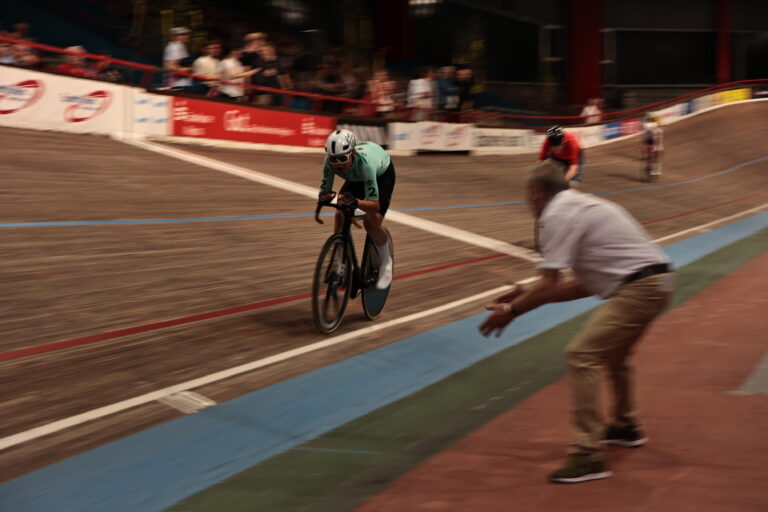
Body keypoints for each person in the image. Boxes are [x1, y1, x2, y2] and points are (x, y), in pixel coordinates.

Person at [479, 160, 673, 483]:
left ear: (536, 191)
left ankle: (587, 454)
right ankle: (625, 425)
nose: (527, 202)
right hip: (657, 281)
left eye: (527, 195)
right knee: (615, 355)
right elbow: (582, 286)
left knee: (582, 354)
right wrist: (527, 295)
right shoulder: (580, 205)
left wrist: (512, 311)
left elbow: (549, 284)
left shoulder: (556, 213)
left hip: (640, 287)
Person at [318, 129, 396, 289]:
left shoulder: (366, 166)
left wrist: (356, 202)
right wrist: (326, 197)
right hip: (355, 175)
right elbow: (325, 193)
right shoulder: (331, 162)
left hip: (381, 176)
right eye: (333, 159)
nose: (337, 164)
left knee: (371, 221)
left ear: (353, 153)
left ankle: (386, 263)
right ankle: (340, 260)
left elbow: (374, 206)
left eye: (342, 158)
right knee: (340, 213)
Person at [641, 113, 664, 181]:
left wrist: (654, 147)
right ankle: (653, 172)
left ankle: (654, 172)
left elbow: (656, 140)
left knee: (652, 160)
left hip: (655, 147)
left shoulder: (655, 131)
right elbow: (646, 139)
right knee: (651, 160)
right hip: (653, 147)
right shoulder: (650, 130)